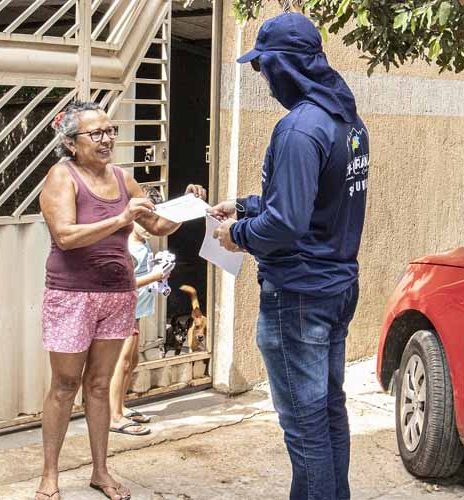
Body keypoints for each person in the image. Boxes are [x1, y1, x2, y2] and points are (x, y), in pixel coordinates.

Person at [209, 12, 369, 500]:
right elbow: (316, 204)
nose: (262, 78)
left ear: (285, 66)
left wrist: (237, 233)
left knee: (305, 430)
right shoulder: (346, 120)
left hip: (298, 296)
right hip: (336, 287)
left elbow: (284, 226)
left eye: (263, 67)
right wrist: (245, 205)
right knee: (327, 413)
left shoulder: (299, 129)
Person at [37, 100, 205, 500]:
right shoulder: (61, 177)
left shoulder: (121, 179)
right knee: (64, 385)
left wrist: (190, 204)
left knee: (98, 385)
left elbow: (158, 223)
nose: (107, 138)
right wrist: (119, 219)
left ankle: (101, 472)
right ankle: (49, 476)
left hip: (117, 294)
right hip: (72, 295)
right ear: (72, 143)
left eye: (110, 130)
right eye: (96, 133)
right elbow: (65, 236)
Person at [107, 222, 173, 436]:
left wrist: (160, 273)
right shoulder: (125, 247)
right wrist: (155, 276)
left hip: (136, 309)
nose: (148, 227)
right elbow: (123, 283)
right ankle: (113, 416)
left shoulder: (143, 244)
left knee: (132, 360)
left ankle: (121, 406)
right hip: (124, 310)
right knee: (122, 361)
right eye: (142, 221)